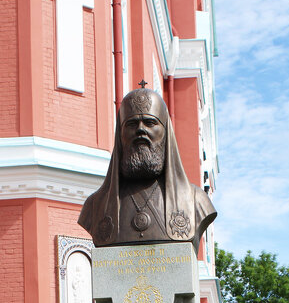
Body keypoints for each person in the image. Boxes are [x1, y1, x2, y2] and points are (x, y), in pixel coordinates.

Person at [78, 86, 216, 250]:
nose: (140, 130)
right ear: (120, 135)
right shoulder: (95, 205)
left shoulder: (196, 200)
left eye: (150, 123)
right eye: (132, 124)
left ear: (165, 133)